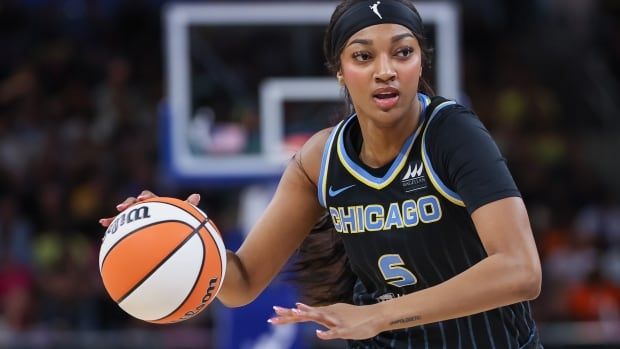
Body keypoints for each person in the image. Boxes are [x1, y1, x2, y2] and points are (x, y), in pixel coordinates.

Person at [100, 0, 543, 347]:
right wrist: (183, 236)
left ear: (421, 62)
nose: (385, 71)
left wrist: (379, 314)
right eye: (363, 56)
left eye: (402, 52)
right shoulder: (320, 159)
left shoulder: (451, 133)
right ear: (340, 71)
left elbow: (521, 271)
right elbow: (242, 283)